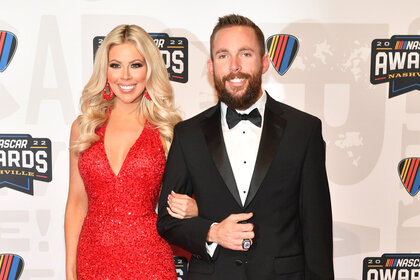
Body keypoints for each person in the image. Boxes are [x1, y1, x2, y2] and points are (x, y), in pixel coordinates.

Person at [157, 14, 334, 279]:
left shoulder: (304, 130)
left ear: (264, 63)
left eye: (245, 54)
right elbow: (167, 223)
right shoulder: (187, 134)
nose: (234, 66)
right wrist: (212, 231)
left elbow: (317, 229)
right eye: (223, 56)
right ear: (211, 66)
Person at [64, 24, 197, 280]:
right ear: (105, 70)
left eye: (135, 65)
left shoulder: (169, 130)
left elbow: (198, 195)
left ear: (149, 70)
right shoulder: (84, 127)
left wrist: (195, 207)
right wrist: (71, 270)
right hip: (93, 260)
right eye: (115, 65)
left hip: (149, 260)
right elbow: (77, 203)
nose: (125, 76)